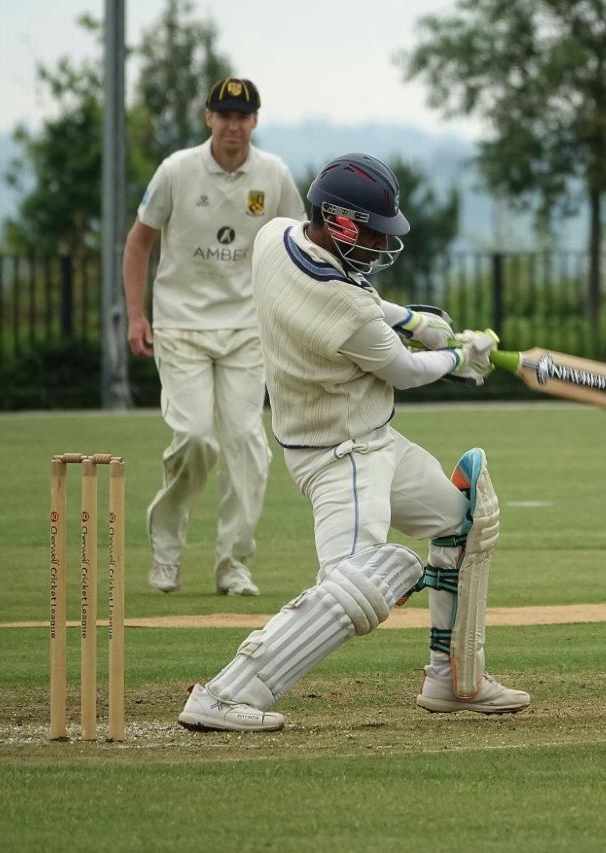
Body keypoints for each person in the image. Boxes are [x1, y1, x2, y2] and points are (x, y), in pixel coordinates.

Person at [177, 153, 529, 731]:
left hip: (374, 440)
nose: (377, 243)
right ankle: (223, 693)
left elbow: (368, 306)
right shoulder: (341, 308)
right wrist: (462, 357)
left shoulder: (274, 237)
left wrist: (413, 318)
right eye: (369, 230)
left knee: (462, 521)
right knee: (363, 580)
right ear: (339, 222)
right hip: (340, 458)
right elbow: (404, 370)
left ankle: (452, 680)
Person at [123, 77, 305, 597]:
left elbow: (297, 249)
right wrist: (136, 315)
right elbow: (139, 244)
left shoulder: (273, 175)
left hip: (249, 330)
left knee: (247, 443)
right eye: (224, 115)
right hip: (181, 326)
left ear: (254, 121)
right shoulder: (177, 171)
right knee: (197, 438)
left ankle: (233, 564)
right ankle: (166, 553)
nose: (233, 125)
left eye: (242, 116)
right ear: (208, 118)